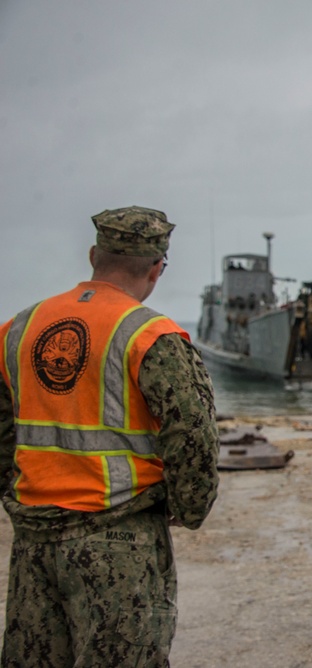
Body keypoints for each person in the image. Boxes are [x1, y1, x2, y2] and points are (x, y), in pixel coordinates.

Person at [0, 206, 220, 666]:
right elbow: (192, 435)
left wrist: (15, 494)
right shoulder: (151, 336)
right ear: (157, 269)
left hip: (32, 542)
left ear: (93, 254)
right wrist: (188, 507)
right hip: (119, 541)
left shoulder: (17, 329)